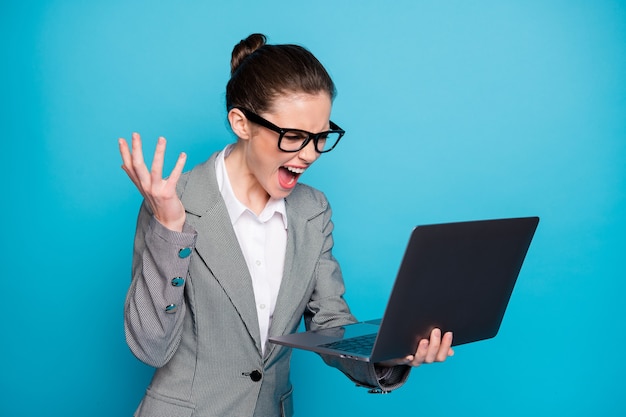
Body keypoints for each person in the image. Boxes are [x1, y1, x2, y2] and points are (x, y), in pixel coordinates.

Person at [118, 33, 454, 417]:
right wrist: (170, 227)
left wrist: (393, 355)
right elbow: (150, 347)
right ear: (241, 123)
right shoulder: (173, 202)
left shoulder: (312, 209)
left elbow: (330, 324)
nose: (310, 154)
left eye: (320, 137)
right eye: (294, 136)